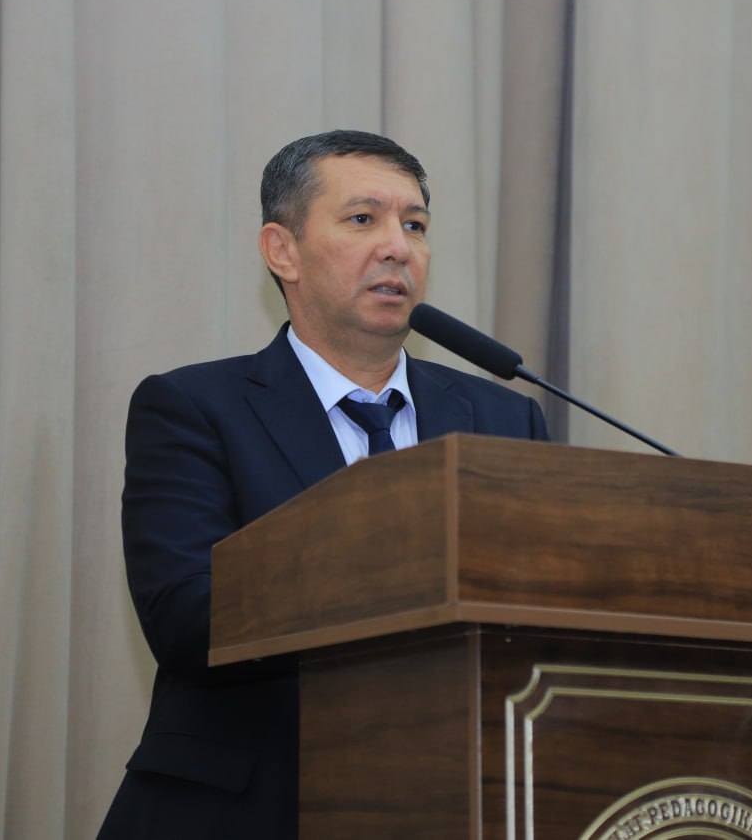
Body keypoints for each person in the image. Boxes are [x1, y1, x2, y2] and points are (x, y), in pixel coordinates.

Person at [97, 130, 549, 838]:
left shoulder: (504, 417)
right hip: (249, 810)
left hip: (455, 803)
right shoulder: (193, 408)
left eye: (415, 225)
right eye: (363, 219)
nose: (398, 247)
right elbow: (185, 617)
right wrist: (401, 563)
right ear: (282, 250)